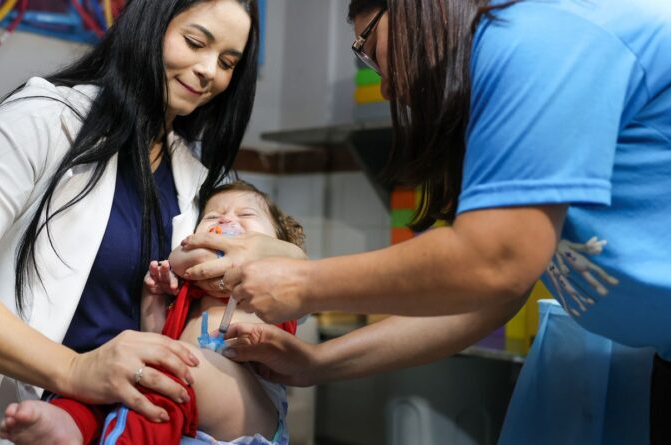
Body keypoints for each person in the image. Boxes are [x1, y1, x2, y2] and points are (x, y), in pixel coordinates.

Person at [179, 0, 671, 443]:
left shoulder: (537, 35)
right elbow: (490, 296)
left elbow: (495, 263)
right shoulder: (511, 70)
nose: (386, 84)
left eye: (368, 46)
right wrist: (316, 363)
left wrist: (305, 281)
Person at [0, 0, 302, 443]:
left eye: (227, 62)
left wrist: (287, 254)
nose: (208, 71)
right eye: (195, 42)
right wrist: (74, 369)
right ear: (148, 24)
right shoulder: (44, 119)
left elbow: (272, 263)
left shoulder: (199, 181)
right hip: (5, 420)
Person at [0, 180, 305, 445]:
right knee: (116, 372)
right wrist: (154, 298)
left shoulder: (275, 284)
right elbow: (155, 337)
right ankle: (68, 422)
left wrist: (271, 255)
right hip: (181, 417)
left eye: (246, 215)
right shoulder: (188, 294)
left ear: (280, 243)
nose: (226, 220)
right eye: (213, 216)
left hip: (247, 406)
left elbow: (303, 276)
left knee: (168, 370)